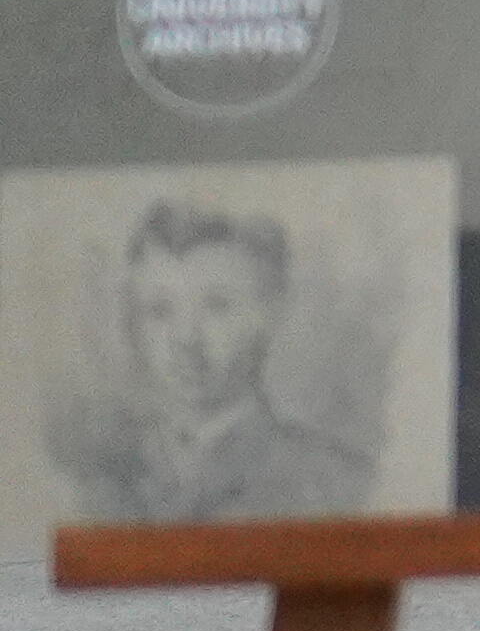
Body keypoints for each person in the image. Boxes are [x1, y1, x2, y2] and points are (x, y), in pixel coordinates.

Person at [68, 201, 378, 523]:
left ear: (270, 312)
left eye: (217, 306)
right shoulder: (96, 478)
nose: (186, 339)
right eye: (160, 310)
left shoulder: (335, 481)